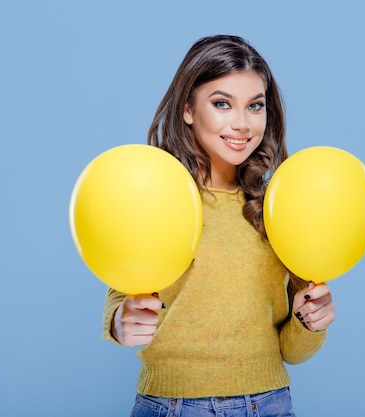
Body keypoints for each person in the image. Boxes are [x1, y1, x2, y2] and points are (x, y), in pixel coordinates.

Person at [102, 34, 335, 417]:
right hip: (171, 406)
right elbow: (119, 299)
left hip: (270, 404)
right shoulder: (156, 197)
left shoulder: (279, 208)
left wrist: (312, 321)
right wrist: (119, 323)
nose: (242, 124)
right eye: (222, 104)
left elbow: (293, 352)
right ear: (188, 110)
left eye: (255, 106)